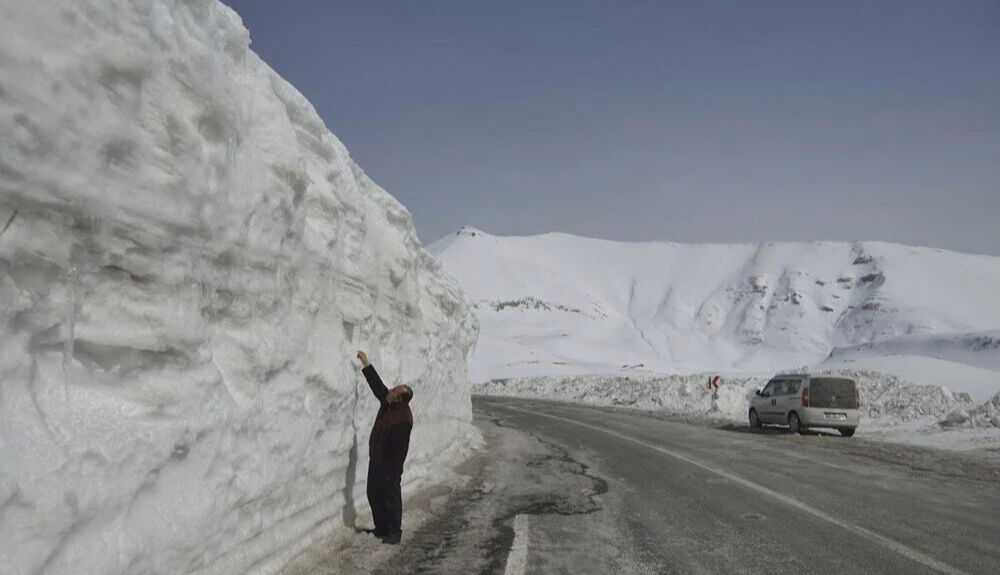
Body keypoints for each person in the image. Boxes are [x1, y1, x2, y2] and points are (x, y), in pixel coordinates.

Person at [356, 350, 413, 545]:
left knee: (391, 498)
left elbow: (400, 451)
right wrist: (367, 364)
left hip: (389, 466)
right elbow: (379, 388)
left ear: (399, 399)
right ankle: (381, 528)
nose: (389, 391)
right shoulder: (389, 404)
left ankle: (394, 532)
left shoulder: (403, 419)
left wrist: (392, 471)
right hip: (377, 460)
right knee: (374, 493)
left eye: (394, 391)